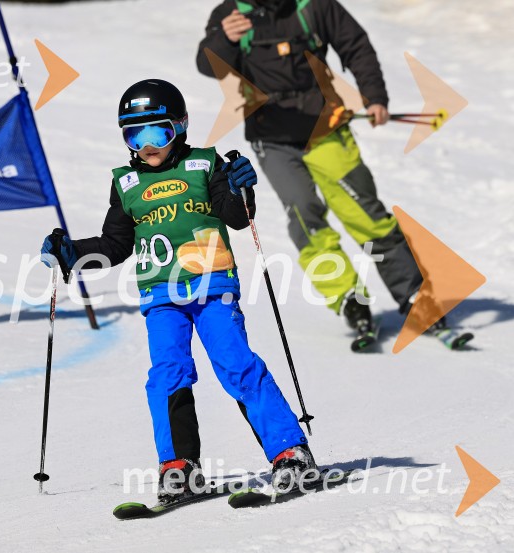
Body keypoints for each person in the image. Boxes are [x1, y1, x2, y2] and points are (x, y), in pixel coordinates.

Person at [39, 79, 315, 504]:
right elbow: (115, 245)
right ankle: (179, 467)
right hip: (161, 297)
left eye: (158, 132)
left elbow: (236, 216)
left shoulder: (205, 165)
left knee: (236, 364)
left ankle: (289, 453)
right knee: (168, 375)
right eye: (135, 135)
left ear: (180, 127)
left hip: (212, 286)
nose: (148, 145)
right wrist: (72, 253)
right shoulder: (127, 183)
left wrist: (241, 187)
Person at [196, 0, 429, 341]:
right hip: (271, 138)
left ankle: (412, 293)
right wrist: (224, 40)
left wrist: (374, 95)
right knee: (304, 215)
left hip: (326, 128)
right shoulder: (230, 13)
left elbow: (355, 44)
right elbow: (207, 64)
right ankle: (347, 296)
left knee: (363, 211)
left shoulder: (315, 6)